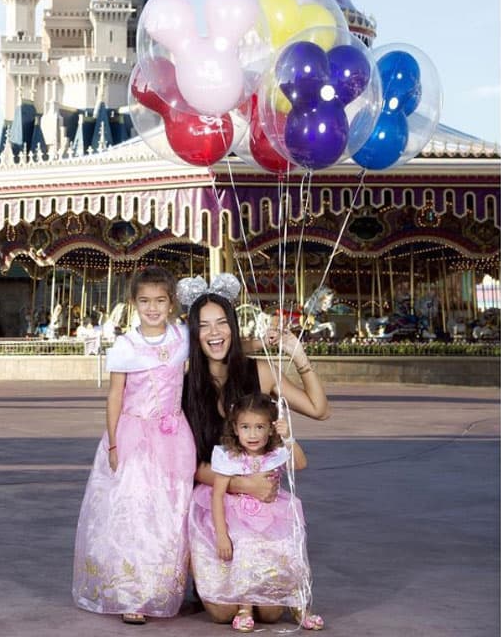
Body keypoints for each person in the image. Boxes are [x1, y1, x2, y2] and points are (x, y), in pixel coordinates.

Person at [176, 273, 330, 629]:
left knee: (271, 613)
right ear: (194, 334)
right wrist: (243, 485)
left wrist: (297, 355)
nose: (215, 333)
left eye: (221, 323)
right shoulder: (183, 388)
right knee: (222, 613)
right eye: (204, 326)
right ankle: (207, 577)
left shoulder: (258, 372)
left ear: (232, 326)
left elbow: (319, 409)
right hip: (213, 496)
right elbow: (190, 463)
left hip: (261, 505)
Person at [72, 266, 197, 625]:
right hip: (134, 434)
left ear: (171, 302)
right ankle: (131, 593)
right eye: (145, 301)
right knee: (133, 512)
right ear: (134, 303)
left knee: (170, 510)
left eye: (160, 300)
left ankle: (162, 587)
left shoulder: (181, 336)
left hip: (174, 435)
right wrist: (113, 443)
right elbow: (115, 396)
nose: (153, 308)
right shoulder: (127, 345)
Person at [204, 392, 323, 632]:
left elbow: (300, 463)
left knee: (289, 549)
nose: (253, 434)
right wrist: (221, 534)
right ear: (235, 429)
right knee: (246, 547)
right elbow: (217, 495)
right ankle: (245, 608)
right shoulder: (230, 456)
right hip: (240, 516)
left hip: (273, 514)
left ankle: (299, 606)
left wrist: (288, 436)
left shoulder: (274, 453)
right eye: (246, 427)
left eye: (260, 427)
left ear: (270, 429)